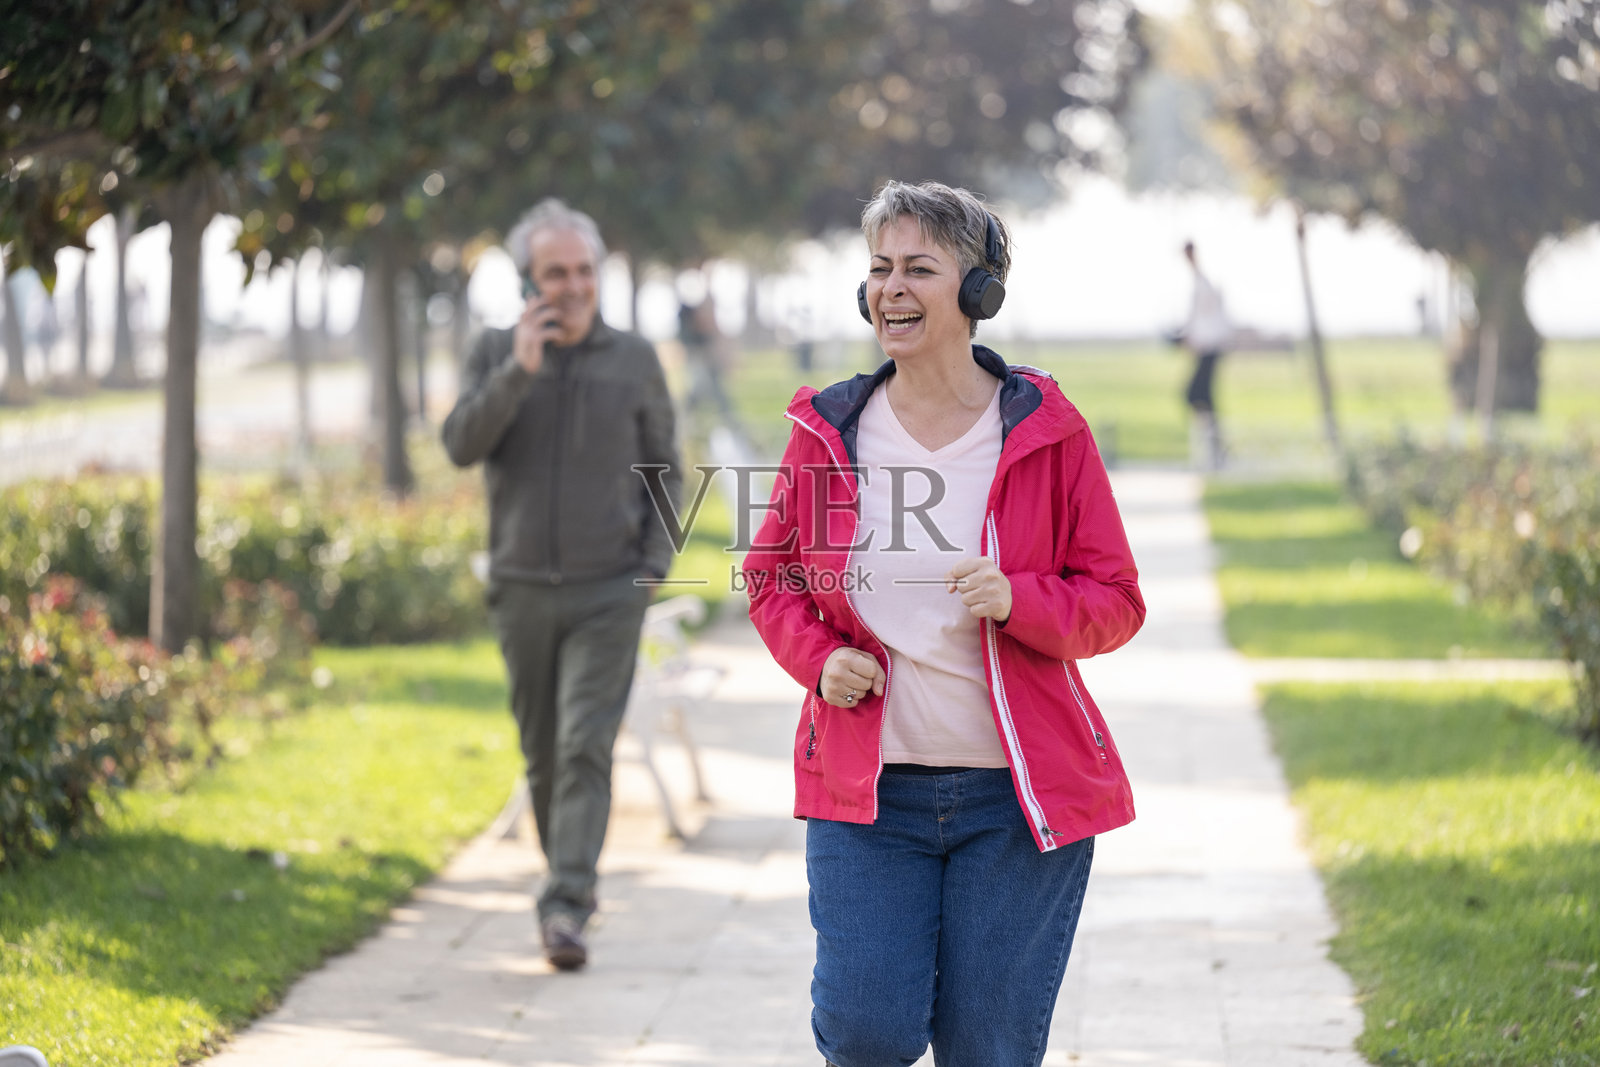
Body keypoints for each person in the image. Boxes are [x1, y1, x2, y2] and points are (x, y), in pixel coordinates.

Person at [741, 180, 1145, 1067]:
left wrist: (1020, 599)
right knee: (866, 1029)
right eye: (879, 268)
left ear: (978, 291)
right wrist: (820, 660)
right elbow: (772, 577)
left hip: (1014, 800)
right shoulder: (829, 431)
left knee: (987, 1049)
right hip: (869, 795)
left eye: (919, 268)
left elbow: (1116, 598)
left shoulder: (1048, 431)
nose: (892, 287)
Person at [441, 198, 681, 971]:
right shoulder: (494, 350)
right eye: (556, 273)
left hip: (609, 588)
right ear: (527, 281)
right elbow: (459, 444)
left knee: (584, 743)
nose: (574, 285)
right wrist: (520, 369)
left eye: (584, 270)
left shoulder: (634, 358)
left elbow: (666, 468)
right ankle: (566, 879)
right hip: (521, 589)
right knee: (543, 752)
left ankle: (567, 902)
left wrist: (653, 566)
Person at [1180, 239, 1230, 469]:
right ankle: (1213, 442)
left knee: (1196, 394)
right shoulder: (1200, 280)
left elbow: (1205, 317)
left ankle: (1214, 442)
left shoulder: (1204, 282)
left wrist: (1193, 338)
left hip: (1210, 347)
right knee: (1203, 396)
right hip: (1207, 346)